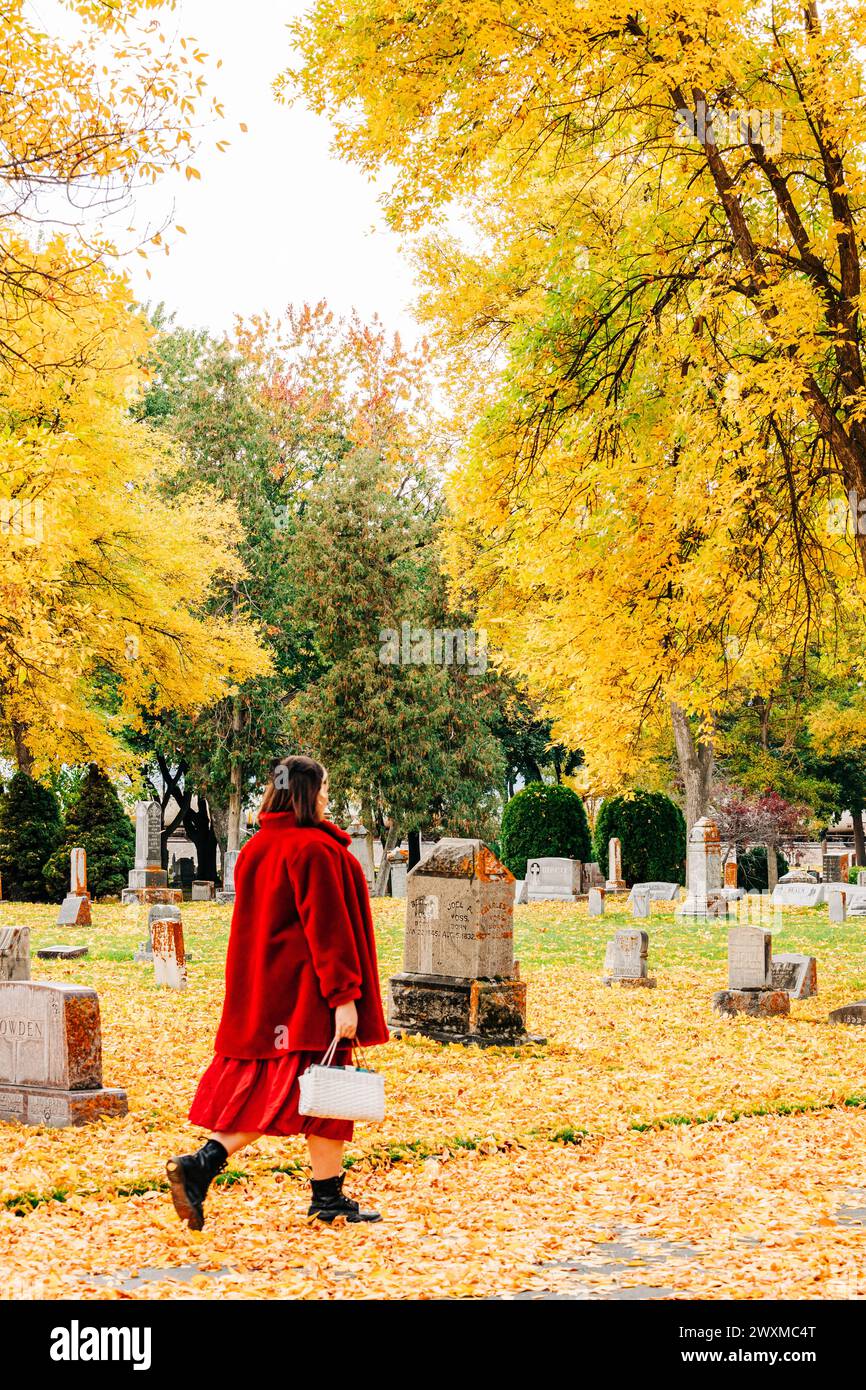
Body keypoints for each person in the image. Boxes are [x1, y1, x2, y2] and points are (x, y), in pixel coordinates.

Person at [166, 755, 389, 1228]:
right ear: (308, 793)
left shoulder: (258, 847)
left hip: (266, 993)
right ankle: (202, 1164)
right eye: (324, 788)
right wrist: (344, 997)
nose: (328, 797)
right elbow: (327, 932)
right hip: (306, 996)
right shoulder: (313, 850)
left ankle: (327, 1198)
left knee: (323, 1092)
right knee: (291, 1090)